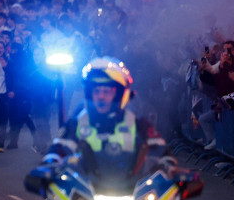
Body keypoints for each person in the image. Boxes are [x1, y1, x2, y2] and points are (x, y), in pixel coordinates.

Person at [38, 57, 176, 183]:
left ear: (119, 94)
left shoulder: (138, 124)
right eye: (96, 91)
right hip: (83, 194)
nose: (101, 97)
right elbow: (58, 150)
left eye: (107, 91)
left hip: (133, 194)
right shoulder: (77, 123)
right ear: (89, 94)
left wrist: (172, 171)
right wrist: (48, 166)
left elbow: (163, 154)